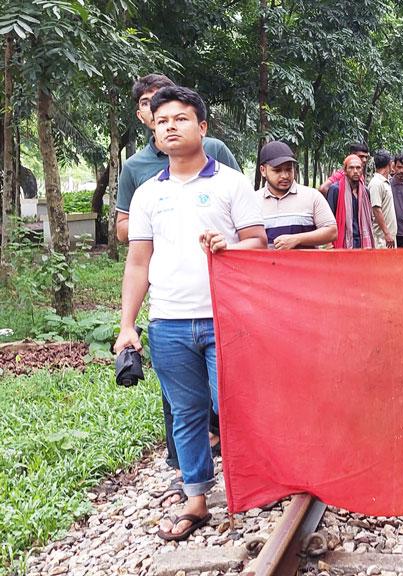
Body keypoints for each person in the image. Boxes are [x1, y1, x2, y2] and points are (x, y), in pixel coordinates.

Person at [114, 86, 267, 541]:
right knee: (187, 412)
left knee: (235, 407)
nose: (170, 127)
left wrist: (231, 245)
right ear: (154, 133)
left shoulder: (231, 184)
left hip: (227, 318)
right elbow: (138, 261)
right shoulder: (146, 194)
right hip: (168, 324)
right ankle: (196, 498)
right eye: (162, 122)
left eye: (180, 119)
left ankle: (257, 485)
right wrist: (127, 326)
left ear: (202, 127)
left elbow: (257, 241)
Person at [116, 74, 239, 241]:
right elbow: (122, 230)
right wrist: (160, 215)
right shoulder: (133, 166)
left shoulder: (214, 148)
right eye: (145, 102)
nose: (154, 106)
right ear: (139, 115)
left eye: (159, 97)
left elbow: (245, 212)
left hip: (217, 259)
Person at [257, 140, 337, 250]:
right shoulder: (252, 201)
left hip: (306, 267)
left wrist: (297, 239)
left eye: (289, 169)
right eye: (277, 170)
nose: (285, 175)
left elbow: (332, 231)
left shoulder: (312, 196)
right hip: (266, 266)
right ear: (263, 170)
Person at [326, 154, 375, 249]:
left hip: (362, 242)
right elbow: (328, 218)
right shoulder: (336, 189)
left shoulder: (365, 192)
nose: (355, 171)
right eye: (351, 168)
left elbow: (370, 219)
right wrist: (329, 244)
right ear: (345, 170)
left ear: (362, 170)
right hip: (343, 240)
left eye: (358, 168)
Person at [368, 150, 397, 249]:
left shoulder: (385, 181)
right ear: (390, 163)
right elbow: (376, 209)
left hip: (388, 236)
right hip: (382, 237)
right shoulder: (376, 183)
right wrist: (386, 233)